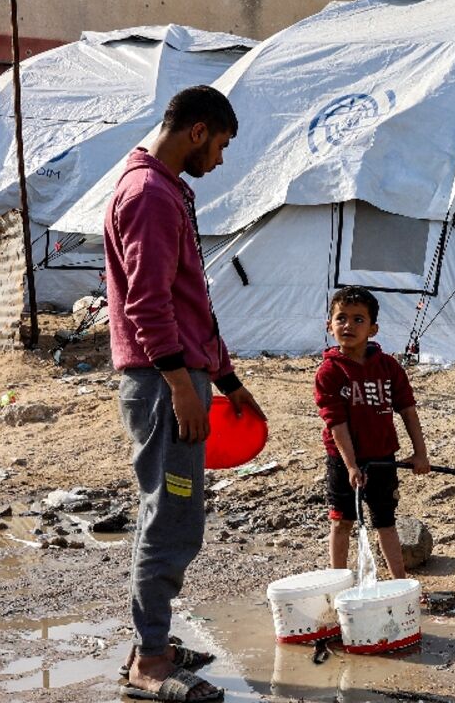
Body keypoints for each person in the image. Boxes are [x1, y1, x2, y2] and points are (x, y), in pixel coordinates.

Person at [108, 85, 263, 702]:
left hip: (182, 378)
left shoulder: (165, 188)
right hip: (161, 383)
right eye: (221, 145)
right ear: (198, 131)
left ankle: (155, 642)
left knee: (176, 516)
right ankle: (149, 665)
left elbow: (188, 304)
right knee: (170, 519)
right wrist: (181, 386)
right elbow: (147, 305)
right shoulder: (148, 194)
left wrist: (227, 382)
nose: (221, 160)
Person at [315, 286, 431, 581]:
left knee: (385, 522)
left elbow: (407, 410)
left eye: (358, 320)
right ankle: (337, 583)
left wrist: (420, 453)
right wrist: (352, 465)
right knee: (342, 522)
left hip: (382, 458)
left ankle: (400, 583)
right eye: (341, 318)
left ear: (373, 328)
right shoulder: (329, 373)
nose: (348, 326)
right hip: (343, 461)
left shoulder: (388, 367)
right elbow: (336, 424)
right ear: (330, 326)